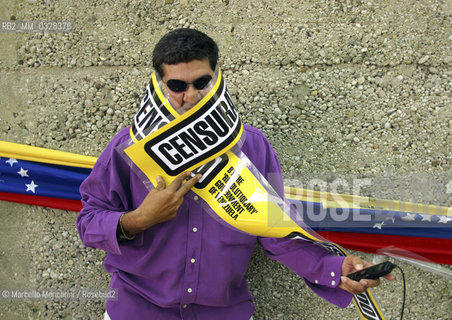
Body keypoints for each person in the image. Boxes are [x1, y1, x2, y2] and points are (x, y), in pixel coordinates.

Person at [77, 28, 392, 320]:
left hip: (224, 312)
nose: (191, 96)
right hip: (137, 309)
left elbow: (275, 228)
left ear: (217, 80)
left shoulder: (250, 147)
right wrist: (140, 219)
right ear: (160, 85)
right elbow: (88, 223)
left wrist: (336, 269)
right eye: (177, 86)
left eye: (202, 83)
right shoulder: (129, 147)